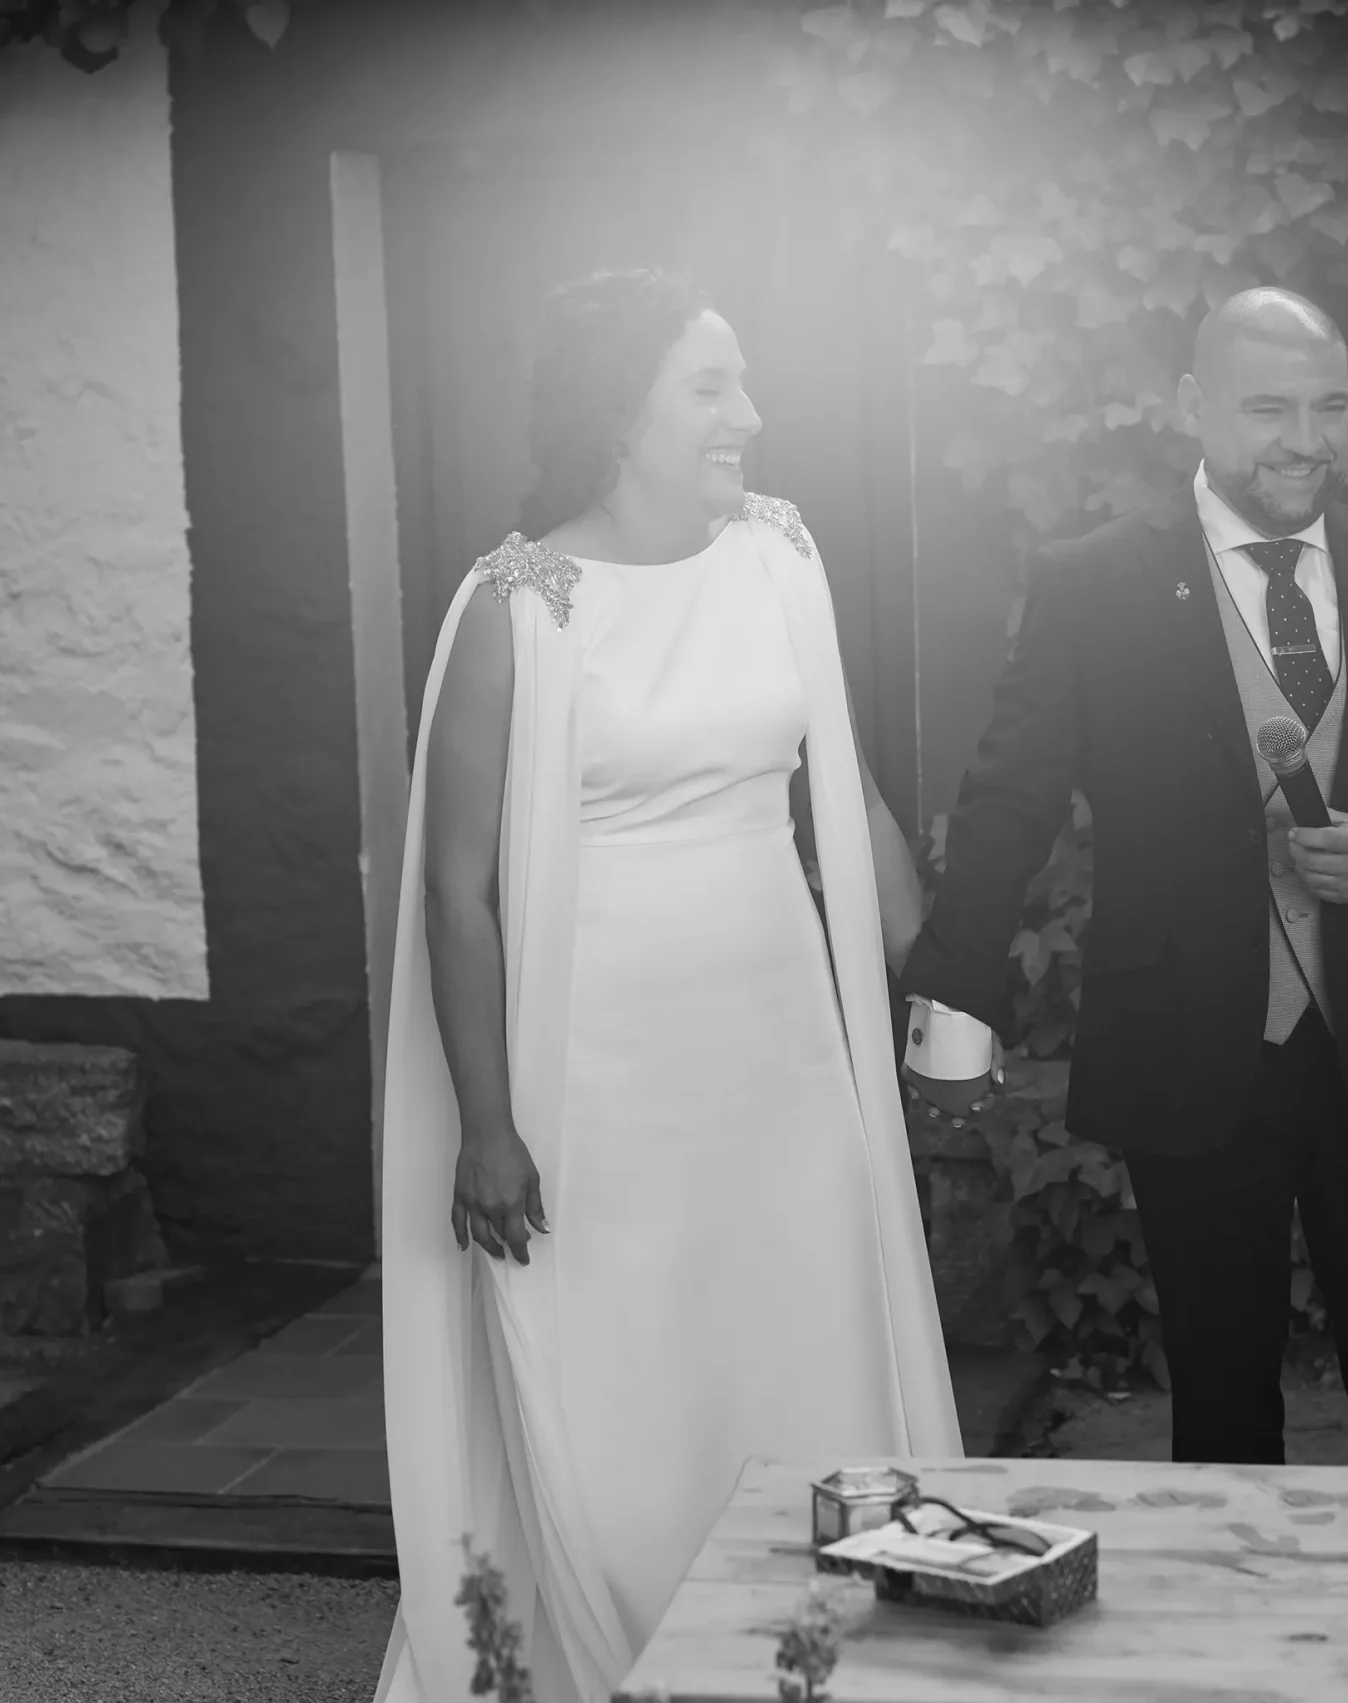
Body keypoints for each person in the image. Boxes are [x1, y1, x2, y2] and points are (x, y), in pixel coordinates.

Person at [374, 268, 961, 1703]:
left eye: (742, 382)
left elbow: (846, 791)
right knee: (630, 1389)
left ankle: (811, 1657)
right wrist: (488, 1122)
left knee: (799, 1345)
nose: (747, 414)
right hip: (603, 1070)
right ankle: (632, 1656)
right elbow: (457, 889)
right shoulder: (518, 604)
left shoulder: (780, 556)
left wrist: (938, 991)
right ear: (616, 410)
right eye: (710, 387)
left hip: (780, 1057)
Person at [901, 287, 1348, 1469]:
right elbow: (1009, 799)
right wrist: (951, 999)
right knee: (1220, 1415)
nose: (1305, 439)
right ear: (1191, 406)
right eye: (1268, 409)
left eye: (1330, 407)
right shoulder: (1093, 582)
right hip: (1191, 1045)